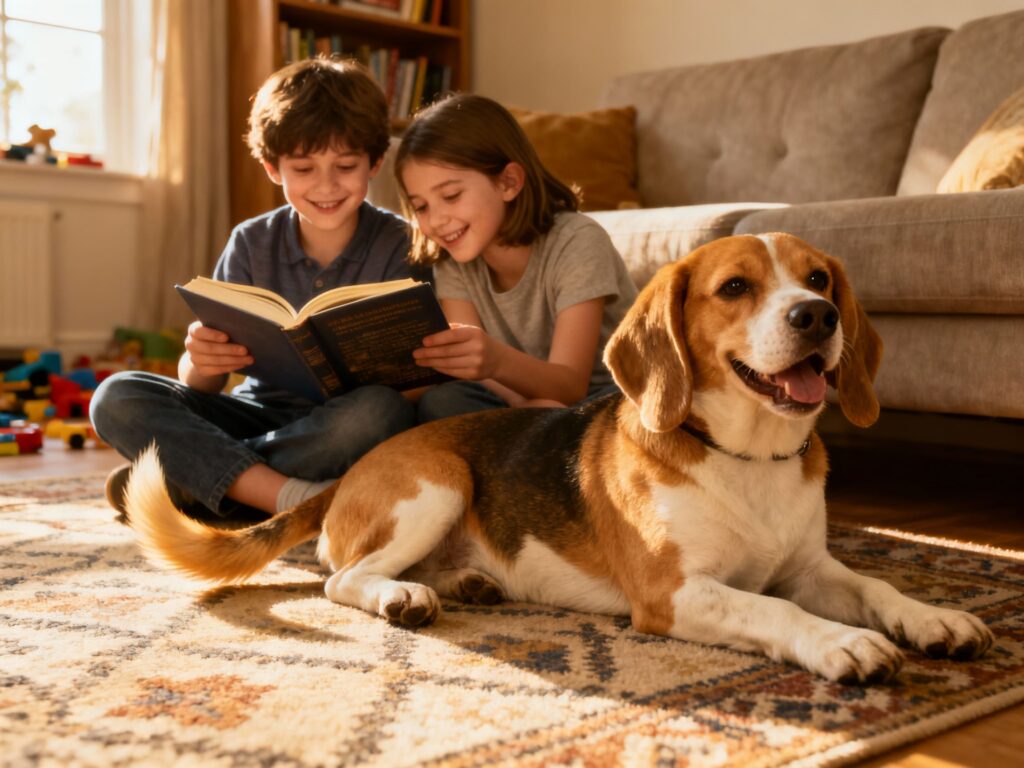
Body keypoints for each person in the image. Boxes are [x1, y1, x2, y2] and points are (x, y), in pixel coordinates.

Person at [92, 57, 423, 522]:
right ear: (273, 167)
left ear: (375, 162)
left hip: (339, 427)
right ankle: (289, 499)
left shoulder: (403, 244)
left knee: (379, 411)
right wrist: (199, 360)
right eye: (304, 169)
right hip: (255, 413)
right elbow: (202, 384)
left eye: (345, 166)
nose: (326, 185)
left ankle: (194, 479)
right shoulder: (251, 241)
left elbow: (413, 385)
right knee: (117, 395)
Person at [396, 93, 638, 421]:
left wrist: (496, 361)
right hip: (526, 401)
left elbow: (570, 386)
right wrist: (517, 404)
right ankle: (522, 432)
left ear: (508, 182)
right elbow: (477, 372)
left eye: (451, 196)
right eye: (421, 206)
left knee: (566, 413)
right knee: (444, 401)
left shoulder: (578, 241)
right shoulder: (453, 260)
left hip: (605, 397)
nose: (435, 221)